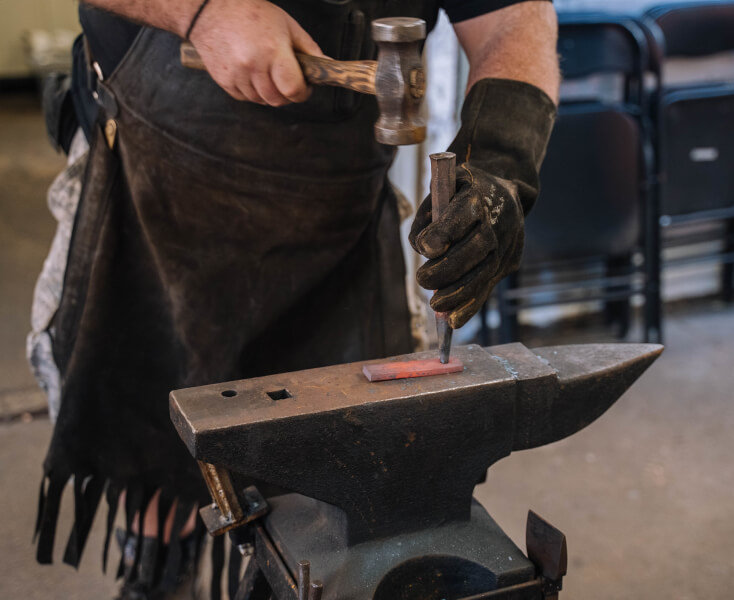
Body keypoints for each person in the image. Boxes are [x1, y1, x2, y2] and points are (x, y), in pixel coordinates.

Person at [30, 1, 559, 598]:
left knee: (337, 492)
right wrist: (201, 11)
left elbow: (513, 19)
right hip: (159, 183)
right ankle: (156, 575)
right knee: (156, 452)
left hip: (337, 217)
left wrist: (499, 164)